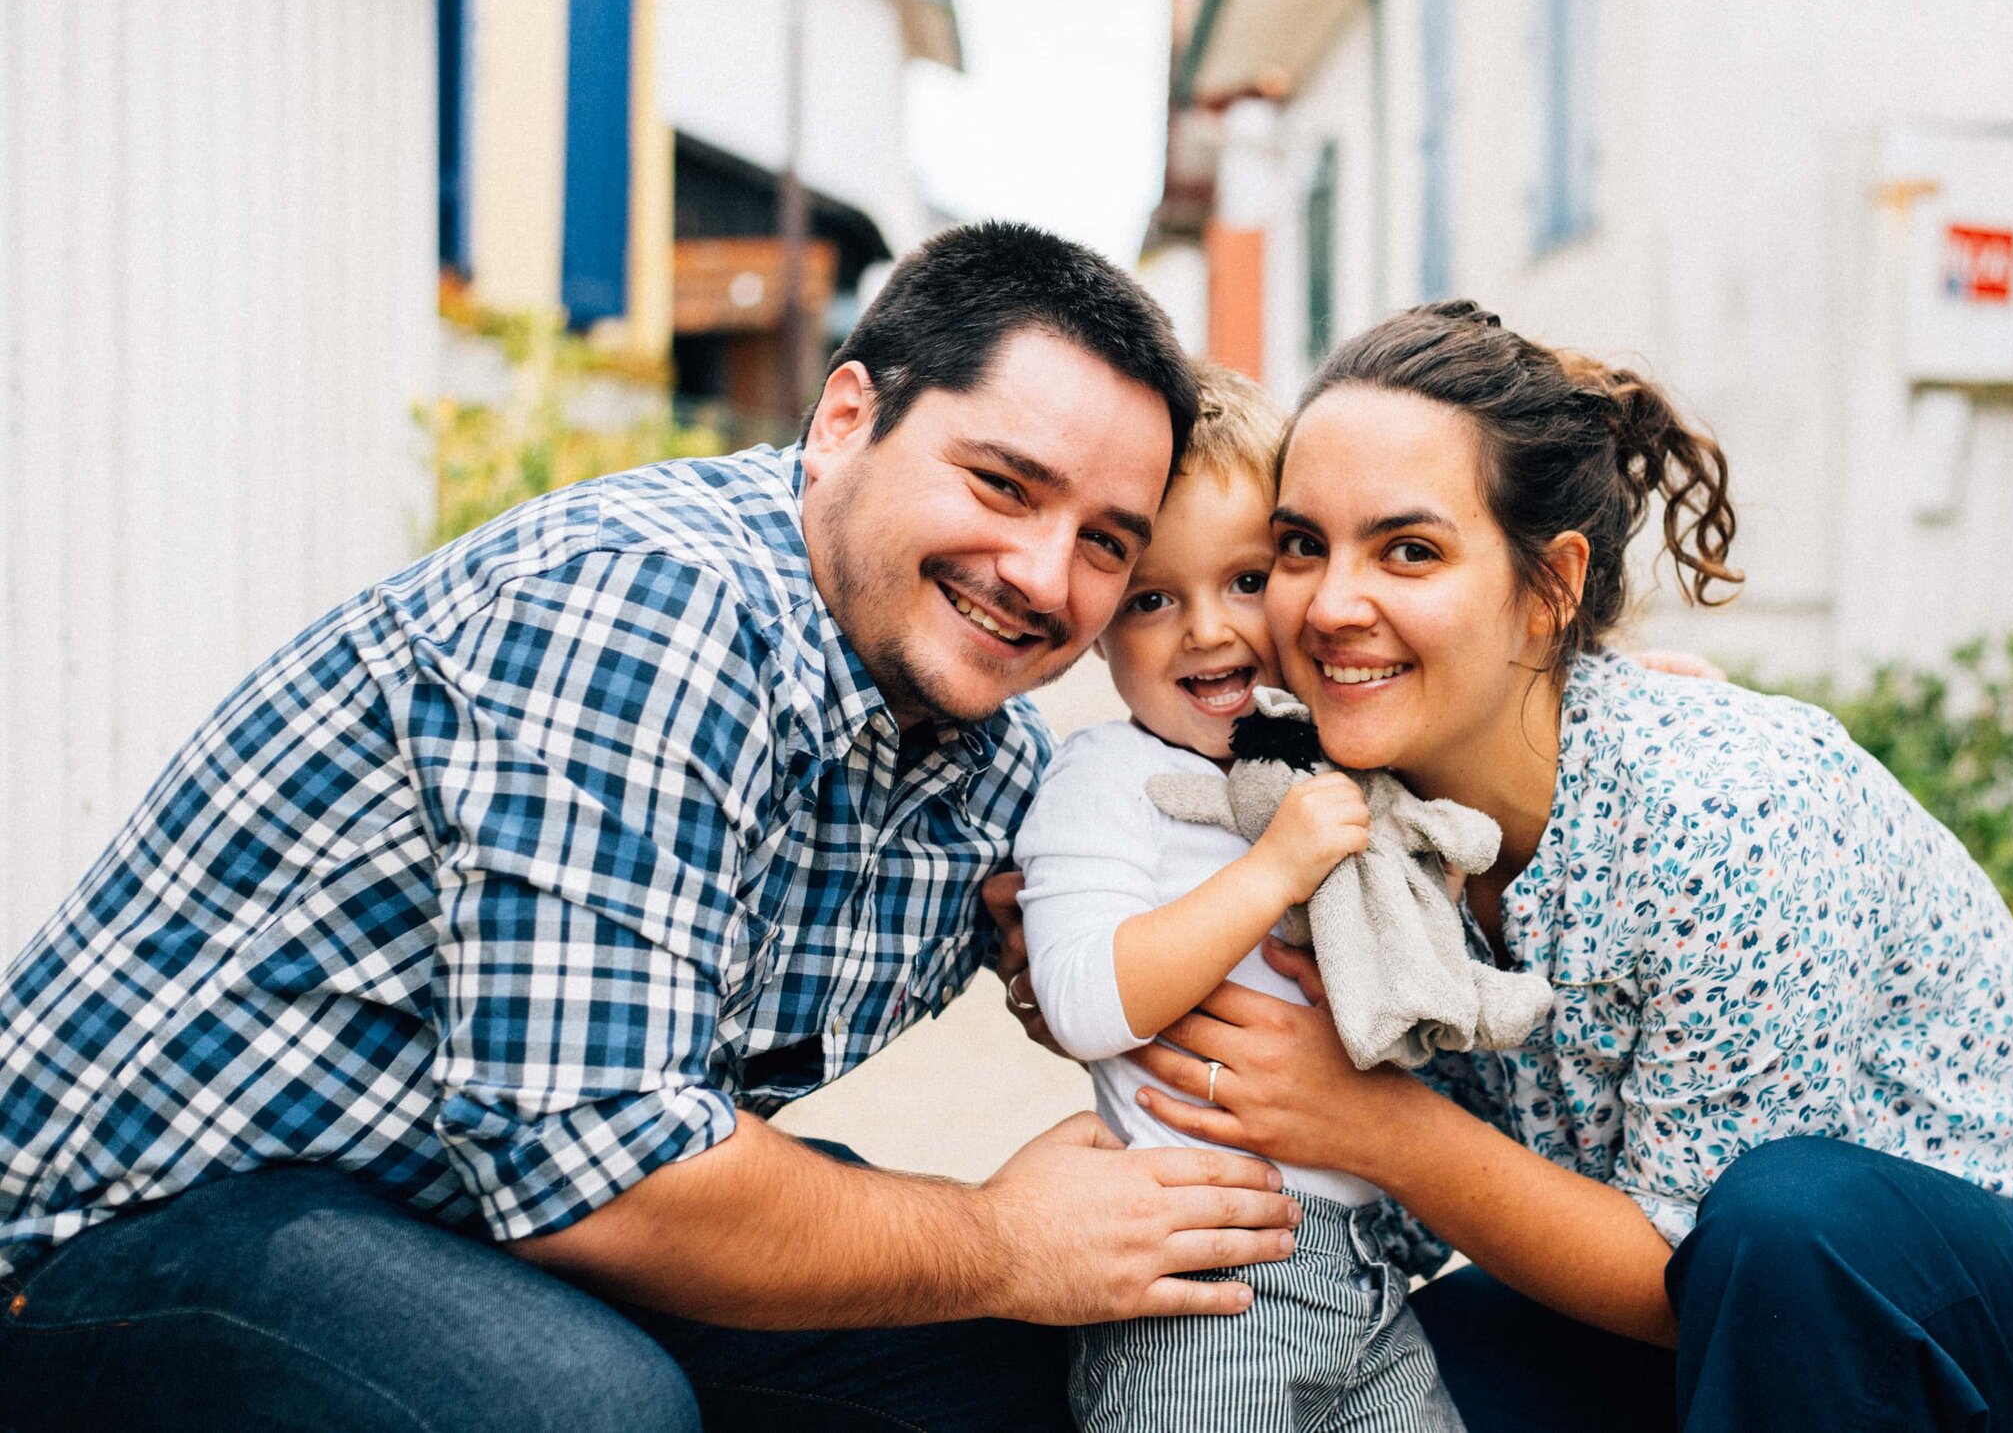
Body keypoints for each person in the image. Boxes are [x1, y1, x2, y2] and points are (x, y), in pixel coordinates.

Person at [0, 223, 1304, 1433]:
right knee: (577, 1407)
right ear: (845, 418)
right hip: (113, 1239)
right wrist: (1006, 1237)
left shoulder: (980, 756)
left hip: (450, 1210)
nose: (1041, 573)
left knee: (1019, 1362)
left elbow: (1147, 935)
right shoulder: (641, 611)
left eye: (1103, 543)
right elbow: (599, 1170)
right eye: (1003, 483)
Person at [1115, 301, 2013, 1432]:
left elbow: (1704, 1268)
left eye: (1408, 550)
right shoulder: (1350, 812)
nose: (1331, 604)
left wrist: (1380, 1124)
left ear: (1550, 587)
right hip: (1766, 1329)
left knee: (1786, 1220)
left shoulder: (1722, 806)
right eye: (1301, 548)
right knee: (1414, 1370)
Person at [1013, 364, 1466, 1433]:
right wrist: (1270, 872)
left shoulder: (1341, 755)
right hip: (1203, 1285)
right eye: (1152, 598)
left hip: (1368, 1276)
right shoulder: (1107, 776)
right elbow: (1079, 997)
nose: (1207, 630)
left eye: (1248, 579)